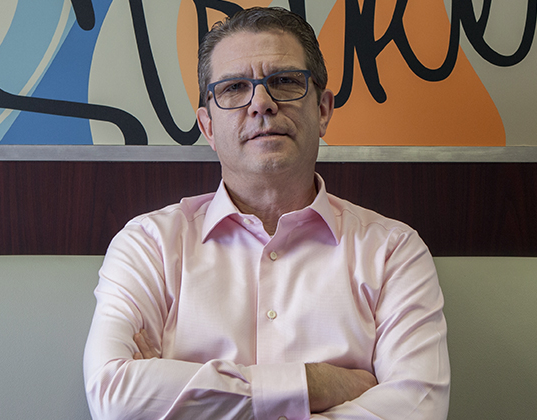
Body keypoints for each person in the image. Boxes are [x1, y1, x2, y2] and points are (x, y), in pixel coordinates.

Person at [84, 7, 450, 419]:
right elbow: (113, 397)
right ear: (208, 127)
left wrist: (189, 398)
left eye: (285, 81)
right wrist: (316, 384)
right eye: (234, 87)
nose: (262, 103)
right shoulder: (149, 245)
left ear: (323, 110)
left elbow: (419, 410)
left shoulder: (393, 252)